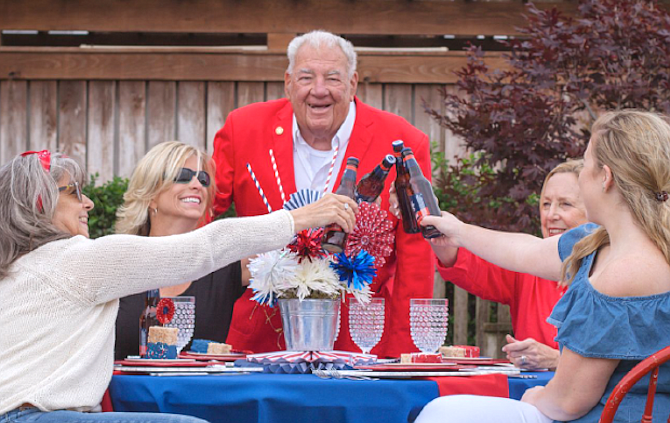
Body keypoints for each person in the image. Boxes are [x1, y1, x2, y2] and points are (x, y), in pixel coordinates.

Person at [0, 149, 356, 422]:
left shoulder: (16, 268)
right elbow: (207, 247)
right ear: (41, 202)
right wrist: (301, 217)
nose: (88, 202)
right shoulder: (74, 260)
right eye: (74, 192)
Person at [415, 111, 670, 423]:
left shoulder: (619, 273)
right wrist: (459, 231)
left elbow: (567, 402)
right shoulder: (602, 243)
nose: (581, 174)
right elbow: (529, 250)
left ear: (606, 177)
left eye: (586, 163)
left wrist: (531, 396)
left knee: (440, 414)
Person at [212, 29, 435, 357]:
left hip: (361, 343)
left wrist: (405, 352)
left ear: (353, 83)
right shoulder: (243, 129)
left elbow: (416, 255)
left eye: (332, 78)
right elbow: (203, 214)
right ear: (288, 83)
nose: (319, 90)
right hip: (257, 339)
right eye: (306, 77)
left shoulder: (402, 142)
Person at [435, 160, 586, 370]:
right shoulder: (527, 267)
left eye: (565, 204)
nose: (551, 215)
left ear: (595, 211)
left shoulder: (611, 272)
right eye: (545, 204)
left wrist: (556, 360)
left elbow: (623, 365)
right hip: (529, 395)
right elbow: (465, 263)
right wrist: (433, 226)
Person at [113, 141, 248, 360]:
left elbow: (290, 254)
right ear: (151, 194)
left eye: (203, 179)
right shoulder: (115, 262)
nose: (197, 184)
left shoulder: (223, 261)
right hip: (126, 393)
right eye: (183, 176)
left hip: (199, 393)